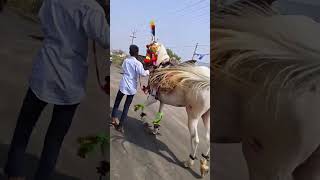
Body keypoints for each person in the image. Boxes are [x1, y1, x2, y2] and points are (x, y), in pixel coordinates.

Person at [4, 0, 109, 179]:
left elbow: (43, 21)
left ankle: (13, 172)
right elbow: (106, 39)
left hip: (44, 71)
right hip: (70, 82)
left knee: (24, 127)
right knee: (55, 140)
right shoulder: (91, 8)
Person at [110, 45, 150, 133]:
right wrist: (148, 71)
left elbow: (123, 69)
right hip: (131, 87)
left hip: (123, 84)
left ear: (130, 52)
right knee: (126, 107)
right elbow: (143, 73)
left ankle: (113, 119)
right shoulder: (138, 63)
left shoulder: (126, 60)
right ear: (137, 53)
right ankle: (120, 126)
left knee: (117, 103)